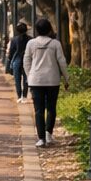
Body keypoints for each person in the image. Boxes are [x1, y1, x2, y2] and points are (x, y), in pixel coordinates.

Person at [23, 18, 69, 147]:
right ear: (49, 30)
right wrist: (66, 78)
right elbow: (62, 62)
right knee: (51, 108)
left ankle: (41, 138)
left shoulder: (31, 44)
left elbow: (26, 61)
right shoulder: (55, 44)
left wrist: (29, 76)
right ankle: (49, 134)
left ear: (37, 30)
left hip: (35, 81)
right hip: (52, 80)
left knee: (38, 110)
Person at [6, 22, 32, 103]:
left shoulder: (14, 39)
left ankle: (19, 96)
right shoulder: (30, 39)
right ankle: (24, 96)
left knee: (17, 79)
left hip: (16, 61)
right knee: (26, 79)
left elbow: (12, 51)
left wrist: (9, 59)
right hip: (27, 61)